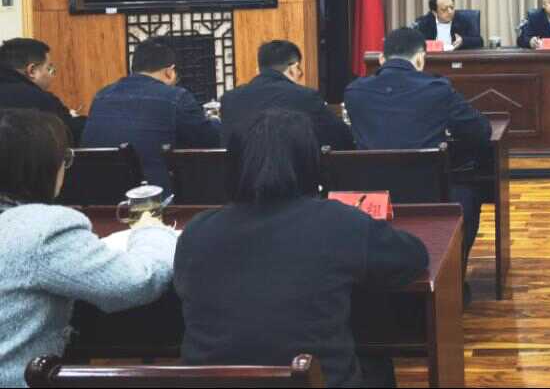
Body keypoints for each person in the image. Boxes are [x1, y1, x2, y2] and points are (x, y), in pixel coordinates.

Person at [175, 109, 429, 388]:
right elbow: (414, 257)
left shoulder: (196, 231)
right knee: (375, 356)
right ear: (309, 163)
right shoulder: (338, 221)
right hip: (314, 380)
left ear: (232, 165)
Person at [0, 109, 176, 389]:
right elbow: (137, 282)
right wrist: (150, 229)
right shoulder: (43, 229)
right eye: (64, 158)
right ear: (39, 166)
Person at [343, 27, 491, 279]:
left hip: (372, 197)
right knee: (470, 194)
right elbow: (480, 131)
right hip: (429, 195)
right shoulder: (437, 89)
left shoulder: (354, 92)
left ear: (382, 59)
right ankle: (452, 282)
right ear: (421, 58)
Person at [82, 38, 222, 192]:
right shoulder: (176, 97)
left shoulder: (101, 95)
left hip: (100, 191)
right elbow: (209, 139)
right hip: (155, 195)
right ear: (169, 72)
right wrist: (215, 119)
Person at [220, 40, 354, 151]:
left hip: (241, 175)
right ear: (294, 68)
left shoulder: (230, 99)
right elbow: (342, 138)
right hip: (292, 175)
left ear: (259, 69)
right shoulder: (306, 97)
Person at [0, 38, 85, 143]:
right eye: (49, 69)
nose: (52, 76)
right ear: (32, 71)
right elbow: (71, 134)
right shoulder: (37, 99)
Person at [413, 0, 483, 50]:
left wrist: (463, 41)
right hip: (433, 59)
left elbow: (479, 41)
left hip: (457, 58)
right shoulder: (423, 23)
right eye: (444, 9)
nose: (450, 11)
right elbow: (415, 44)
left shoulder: (463, 20)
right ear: (434, 12)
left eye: (451, 7)